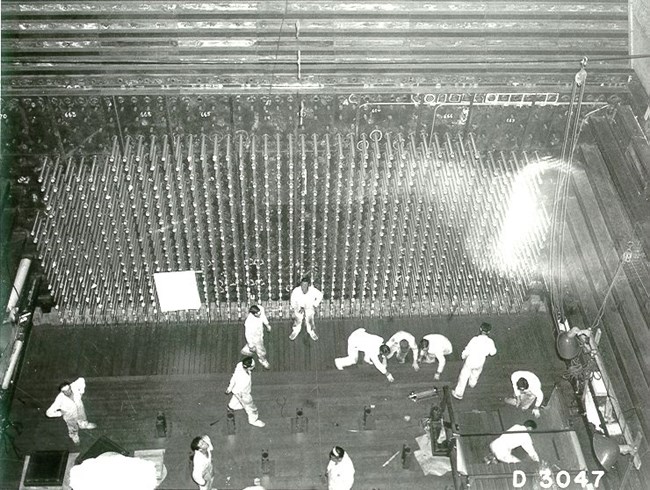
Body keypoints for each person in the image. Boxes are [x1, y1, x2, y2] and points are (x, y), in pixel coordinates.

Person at [452, 322, 497, 400]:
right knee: (476, 373)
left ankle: (459, 393)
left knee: (464, 376)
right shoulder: (490, 342)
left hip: (471, 360)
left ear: (480, 329)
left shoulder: (475, 339)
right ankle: (472, 384)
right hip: (480, 361)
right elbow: (493, 353)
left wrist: (463, 356)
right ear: (489, 332)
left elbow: (468, 349)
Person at [45, 377, 96, 444]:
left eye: (68, 389)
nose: (68, 392)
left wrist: (81, 391)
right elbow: (48, 413)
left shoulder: (74, 386)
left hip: (80, 409)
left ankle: (84, 425)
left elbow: (81, 379)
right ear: (62, 391)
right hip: (70, 416)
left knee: (83, 418)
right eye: (65, 391)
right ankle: (74, 436)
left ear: (70, 386)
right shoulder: (59, 400)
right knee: (72, 427)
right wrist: (60, 413)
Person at [225, 356, 265, 427]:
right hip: (243, 394)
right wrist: (243, 399)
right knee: (252, 408)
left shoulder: (240, 365)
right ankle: (253, 420)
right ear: (249, 367)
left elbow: (234, 377)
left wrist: (229, 388)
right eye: (253, 366)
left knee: (234, 404)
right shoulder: (244, 380)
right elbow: (239, 392)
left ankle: (231, 407)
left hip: (238, 391)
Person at [289, 277, 324, 341]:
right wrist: (294, 308)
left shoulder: (313, 290)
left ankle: (311, 332)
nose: (303, 287)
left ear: (308, 285)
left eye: (305, 285)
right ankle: (295, 331)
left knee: (310, 318)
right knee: (298, 318)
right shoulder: (296, 291)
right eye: (302, 285)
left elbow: (320, 295)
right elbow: (292, 300)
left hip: (309, 306)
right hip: (299, 306)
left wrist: (315, 304)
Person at [241, 304, 271, 369]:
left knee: (257, 343)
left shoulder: (261, 309)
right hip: (255, 337)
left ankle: (248, 348)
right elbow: (248, 334)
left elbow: (263, 317)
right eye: (257, 314)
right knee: (261, 349)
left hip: (260, 332)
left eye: (259, 312)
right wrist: (251, 345)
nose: (259, 314)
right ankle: (262, 360)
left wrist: (267, 325)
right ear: (253, 313)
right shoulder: (248, 322)